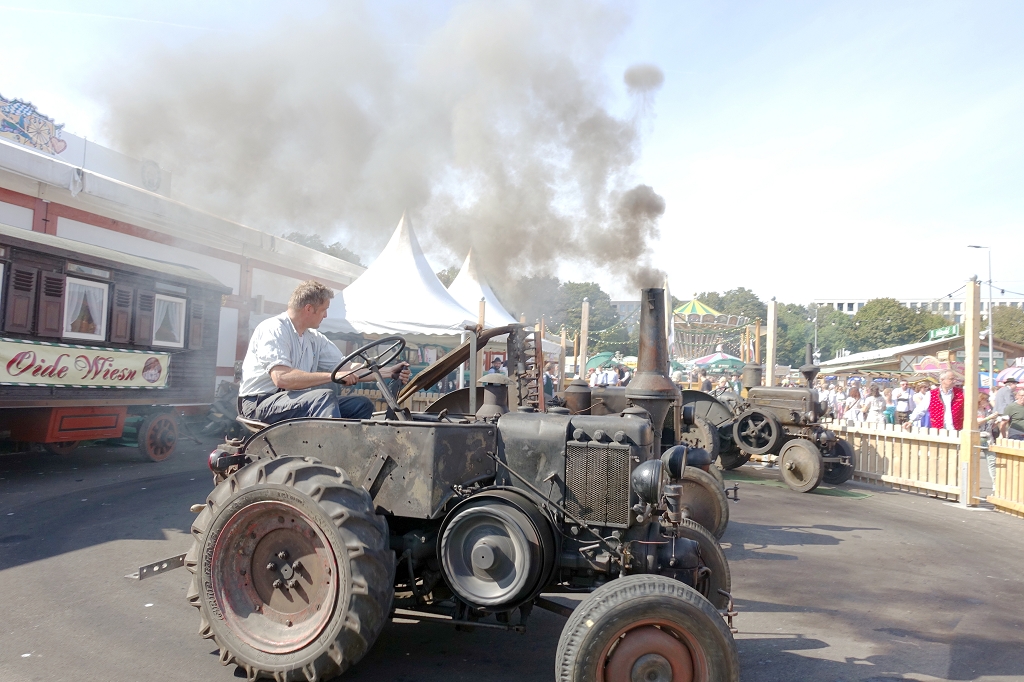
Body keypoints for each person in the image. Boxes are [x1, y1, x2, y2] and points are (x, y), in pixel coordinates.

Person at [239, 280, 410, 424]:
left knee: (361, 404)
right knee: (323, 397)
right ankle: (331, 451)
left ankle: (355, 450)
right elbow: (282, 378)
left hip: (294, 400)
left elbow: (347, 368)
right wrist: (332, 377)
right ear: (308, 309)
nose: (326, 315)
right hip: (259, 403)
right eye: (323, 310)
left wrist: (388, 372)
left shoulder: (314, 338)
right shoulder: (274, 329)